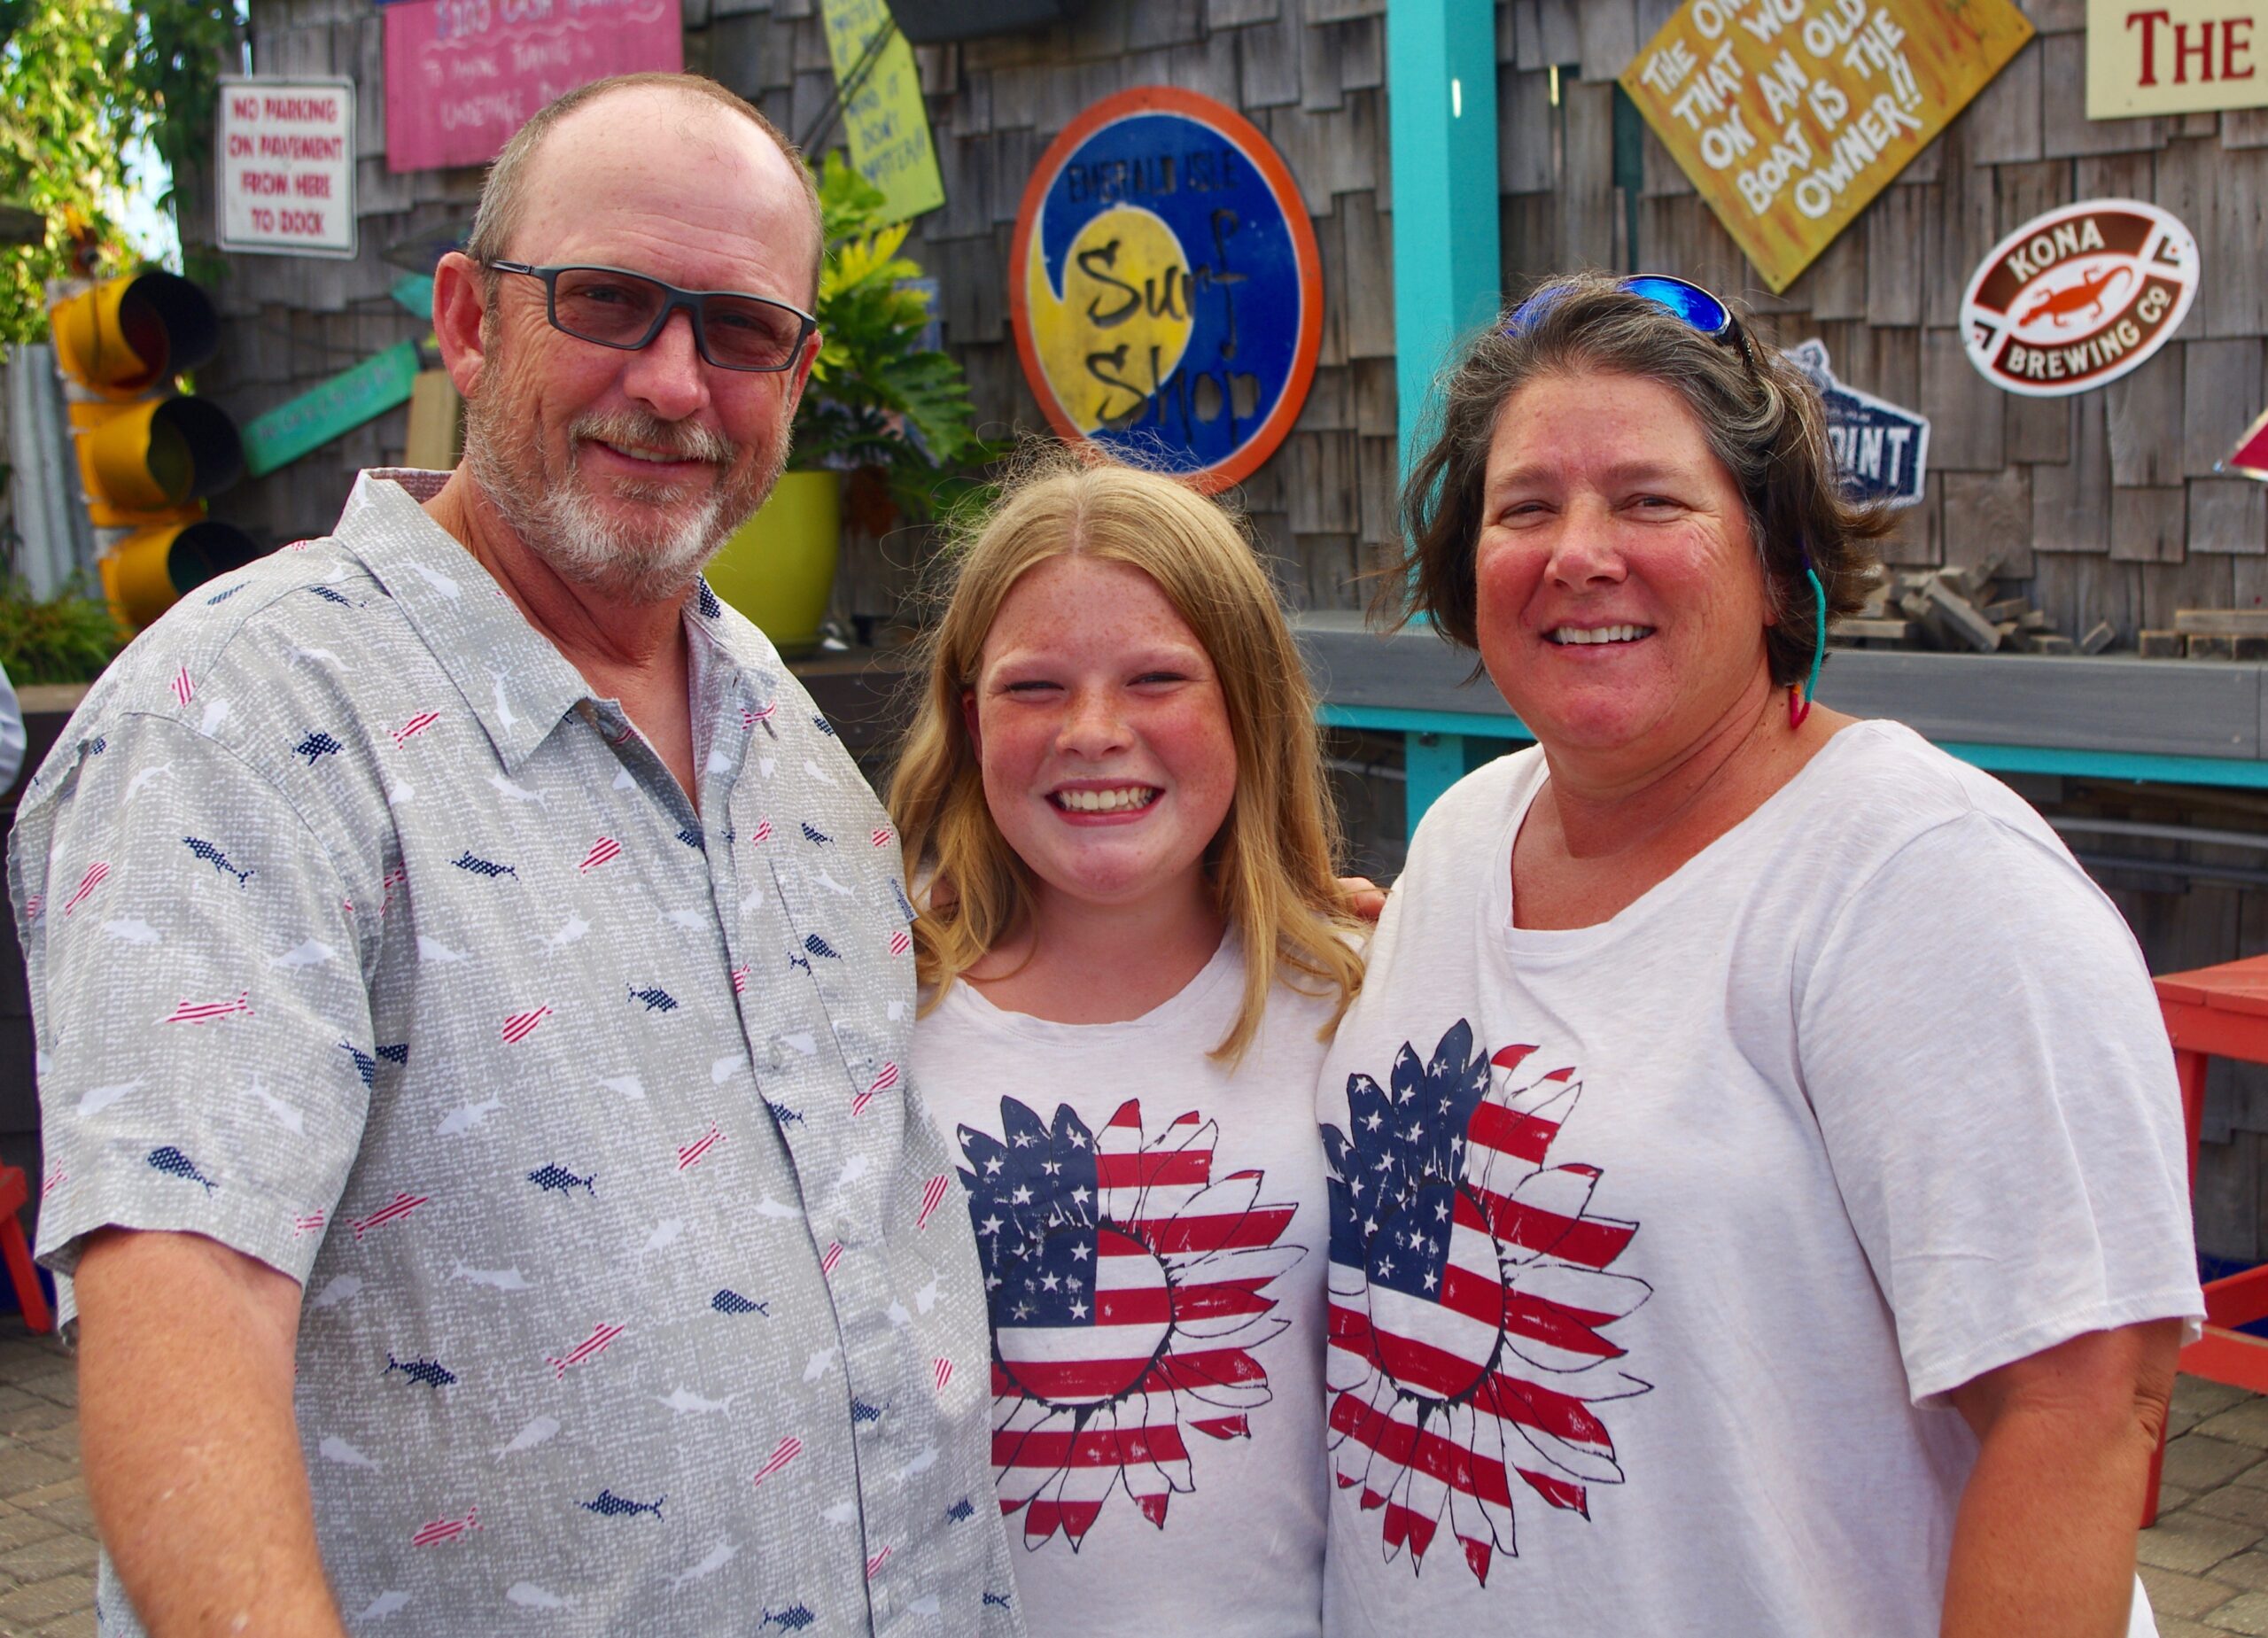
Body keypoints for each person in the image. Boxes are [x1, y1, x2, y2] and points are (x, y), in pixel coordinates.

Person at [9, 74, 1017, 1635]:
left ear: (797, 374)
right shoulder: (245, 715)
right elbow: (182, 1304)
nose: (674, 382)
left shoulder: (787, 735)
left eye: (740, 329)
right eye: (609, 301)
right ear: (471, 324)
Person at [1317, 272, 2203, 1638]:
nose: (1579, 552)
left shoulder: (1923, 879)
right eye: (1526, 507)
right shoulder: (1462, 838)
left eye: (1649, 500)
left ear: (1778, 560)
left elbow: (2084, 1404)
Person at [889, 456, 1364, 1634]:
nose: (1094, 732)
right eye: (1034, 687)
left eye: (1156, 678)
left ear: (1249, 701)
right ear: (969, 719)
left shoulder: (1363, 995)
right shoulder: (871, 1013)